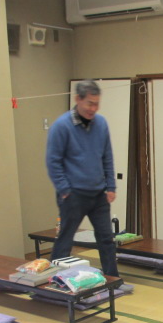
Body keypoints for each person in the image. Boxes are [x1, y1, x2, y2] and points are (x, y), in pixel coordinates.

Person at [46, 80, 119, 277]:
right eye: (90, 103)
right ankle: (55, 280)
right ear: (78, 99)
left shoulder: (101, 123)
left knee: (106, 239)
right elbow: (53, 161)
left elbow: (107, 156)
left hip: (98, 194)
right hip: (73, 194)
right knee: (65, 239)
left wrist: (111, 186)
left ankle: (113, 279)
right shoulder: (61, 126)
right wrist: (65, 190)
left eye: (97, 104)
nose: (93, 109)